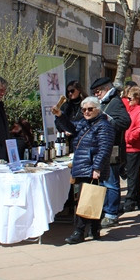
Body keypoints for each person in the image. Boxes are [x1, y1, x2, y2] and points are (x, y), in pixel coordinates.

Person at [53, 96, 115, 244]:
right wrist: (60, 115)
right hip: (82, 165)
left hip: (91, 166)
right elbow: (71, 127)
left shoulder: (104, 125)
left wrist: (97, 168)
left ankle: (79, 231)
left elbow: (105, 149)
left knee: (86, 199)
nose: (86, 112)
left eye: (90, 109)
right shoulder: (85, 123)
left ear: (97, 109)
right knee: (91, 198)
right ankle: (94, 229)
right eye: (84, 109)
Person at [90, 77, 131, 228]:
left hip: (112, 149)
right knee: (102, 183)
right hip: (100, 148)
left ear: (107, 89)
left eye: (98, 91)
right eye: (94, 92)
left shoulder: (115, 102)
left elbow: (125, 122)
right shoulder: (102, 103)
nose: (96, 94)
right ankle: (105, 210)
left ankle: (111, 214)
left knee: (111, 182)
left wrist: (107, 118)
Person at [124, 86, 140, 212]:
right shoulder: (132, 110)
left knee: (132, 175)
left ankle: (130, 201)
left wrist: (128, 139)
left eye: (130, 98)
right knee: (133, 174)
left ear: (137, 98)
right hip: (130, 146)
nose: (128, 100)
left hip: (134, 147)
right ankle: (136, 199)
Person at [55, 80, 87, 151]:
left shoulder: (86, 103)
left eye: (72, 91)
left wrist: (73, 128)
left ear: (79, 90)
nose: (70, 93)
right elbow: (58, 121)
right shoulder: (65, 105)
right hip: (67, 140)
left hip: (82, 138)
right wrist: (64, 130)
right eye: (68, 91)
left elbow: (87, 121)